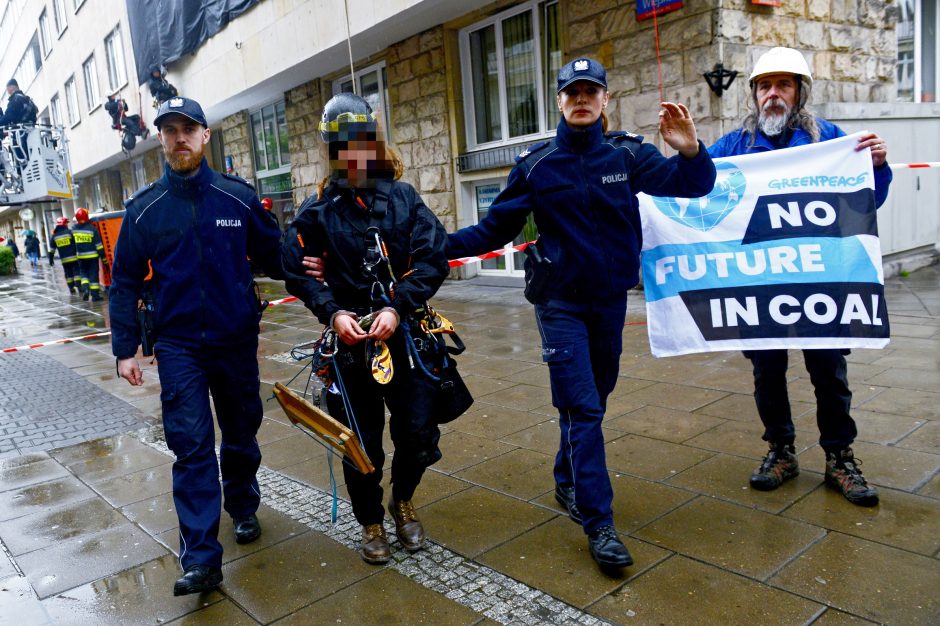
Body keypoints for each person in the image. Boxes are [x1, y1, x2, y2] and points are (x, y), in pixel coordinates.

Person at [446, 58, 716, 569]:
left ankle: (567, 477)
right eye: (573, 93)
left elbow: (693, 185)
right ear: (559, 101)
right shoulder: (536, 164)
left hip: (609, 302)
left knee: (596, 397)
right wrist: (434, 246)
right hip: (559, 303)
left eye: (591, 91)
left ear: (606, 100)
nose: (582, 100)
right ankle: (599, 523)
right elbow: (491, 232)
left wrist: (689, 150)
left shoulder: (628, 154)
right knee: (584, 408)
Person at [109, 96, 284, 595]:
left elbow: (276, 256)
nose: (179, 137)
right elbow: (122, 283)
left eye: (189, 128)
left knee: (241, 433)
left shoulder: (237, 198)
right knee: (190, 447)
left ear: (206, 135)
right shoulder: (145, 211)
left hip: (234, 340)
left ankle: (244, 503)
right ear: (161, 139)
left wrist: (318, 276)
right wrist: (125, 349)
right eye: (170, 130)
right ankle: (202, 557)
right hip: (179, 345)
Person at [708, 47, 891, 507]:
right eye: (765, 86)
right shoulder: (733, 146)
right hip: (759, 283)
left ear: (799, 92)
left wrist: (879, 168)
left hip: (821, 280)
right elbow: (695, 189)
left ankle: (840, 458)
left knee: (829, 372)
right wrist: (686, 154)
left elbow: (865, 202)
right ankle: (781, 451)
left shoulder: (831, 141)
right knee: (767, 371)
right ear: (753, 94)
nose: (773, 94)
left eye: (783, 85)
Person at [282, 93, 450, 565]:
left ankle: (402, 501)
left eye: (360, 141)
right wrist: (331, 309)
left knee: (417, 433)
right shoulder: (317, 211)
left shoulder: (403, 197)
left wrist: (398, 306)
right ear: (331, 150)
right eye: (341, 144)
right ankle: (370, 519)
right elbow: (293, 264)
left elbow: (433, 257)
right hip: (349, 345)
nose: (352, 152)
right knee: (361, 440)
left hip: (405, 336)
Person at [72, 208, 108, 301]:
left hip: (80, 257)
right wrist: (104, 259)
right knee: (93, 275)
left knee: (83, 274)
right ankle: (95, 296)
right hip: (92, 257)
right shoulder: (92, 229)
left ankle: (85, 290)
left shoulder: (74, 229)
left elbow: (72, 244)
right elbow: (99, 246)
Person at [50, 216, 80, 293]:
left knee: (68, 273)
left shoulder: (55, 236)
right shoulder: (70, 232)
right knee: (76, 271)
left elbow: (52, 249)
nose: (67, 225)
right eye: (66, 223)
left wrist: (51, 259)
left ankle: (71, 287)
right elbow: (76, 243)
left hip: (64, 259)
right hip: (74, 257)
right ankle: (79, 285)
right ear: (64, 224)